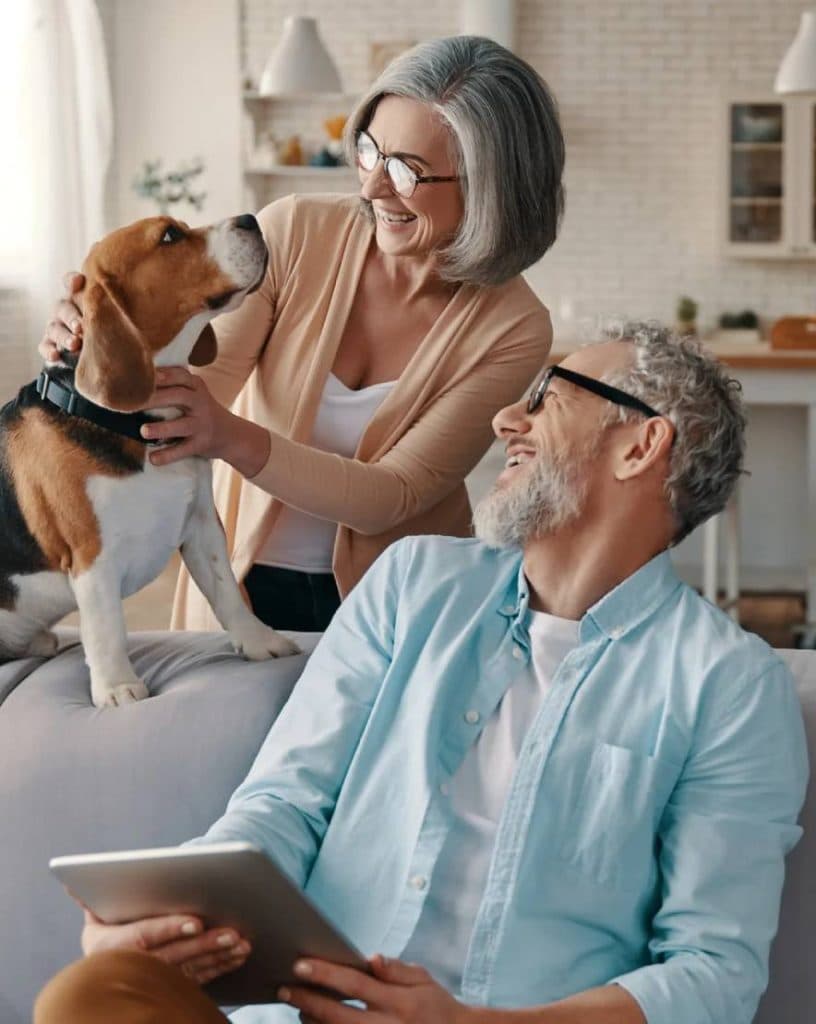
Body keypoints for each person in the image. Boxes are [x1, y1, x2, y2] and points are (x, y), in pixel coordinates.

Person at [35, 323, 808, 1024]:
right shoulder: (413, 584)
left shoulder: (729, 684)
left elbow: (714, 974)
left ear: (640, 447)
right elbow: (285, 803)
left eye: (547, 399)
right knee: (92, 993)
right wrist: (175, 915)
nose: (507, 420)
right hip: (298, 1012)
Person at [39, 35, 565, 633]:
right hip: (239, 580)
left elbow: (392, 496)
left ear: (490, 186)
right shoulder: (294, 231)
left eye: (407, 170)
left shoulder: (515, 328)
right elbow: (189, 386)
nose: (371, 188)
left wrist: (229, 435)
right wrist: (97, 336)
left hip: (398, 607)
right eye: (369, 151)